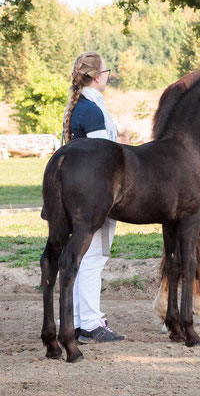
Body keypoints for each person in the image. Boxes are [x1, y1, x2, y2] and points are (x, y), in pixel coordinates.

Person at [61, 51, 125, 343]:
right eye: (106, 70)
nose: (108, 75)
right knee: (93, 257)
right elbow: (103, 159)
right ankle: (88, 321)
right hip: (93, 192)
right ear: (98, 76)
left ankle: (72, 319)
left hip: (79, 189)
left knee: (81, 255)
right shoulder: (92, 109)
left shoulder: (83, 105)